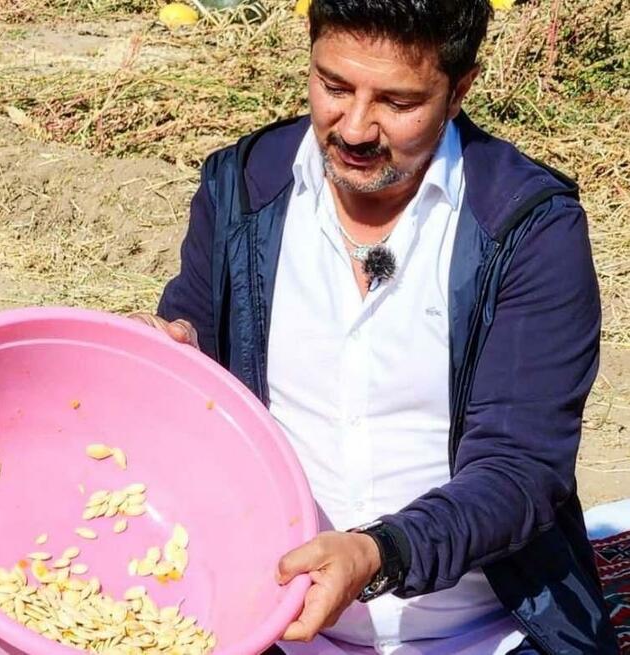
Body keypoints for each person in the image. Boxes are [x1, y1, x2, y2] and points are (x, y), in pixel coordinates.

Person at [136, 0, 618, 653]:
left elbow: (518, 470)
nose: (355, 128)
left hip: (486, 633)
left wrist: (377, 553)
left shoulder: (527, 229)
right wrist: (174, 361)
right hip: (270, 624)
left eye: (397, 102)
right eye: (333, 87)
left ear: (460, 90)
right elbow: (197, 350)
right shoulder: (243, 187)